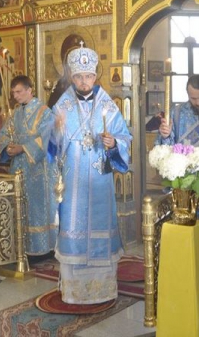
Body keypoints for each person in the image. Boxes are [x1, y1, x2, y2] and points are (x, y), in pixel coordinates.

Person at [48, 43, 132, 304]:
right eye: (79, 77)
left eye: (89, 76)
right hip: (73, 181)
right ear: (72, 78)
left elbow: (124, 136)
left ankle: (102, 290)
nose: (84, 82)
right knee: (73, 226)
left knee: (100, 227)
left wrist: (114, 144)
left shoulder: (108, 106)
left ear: (96, 76)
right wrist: (55, 130)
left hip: (99, 180)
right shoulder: (62, 106)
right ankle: (74, 292)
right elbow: (51, 149)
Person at [0, 75, 57, 255]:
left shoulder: (44, 112)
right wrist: (7, 147)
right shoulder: (15, 112)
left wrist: (23, 148)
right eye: (13, 92)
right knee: (20, 207)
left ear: (29, 90)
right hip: (18, 168)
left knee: (37, 208)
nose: (15, 96)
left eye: (18, 92)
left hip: (38, 170)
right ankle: (23, 248)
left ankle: (42, 249)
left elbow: (50, 137)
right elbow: (5, 132)